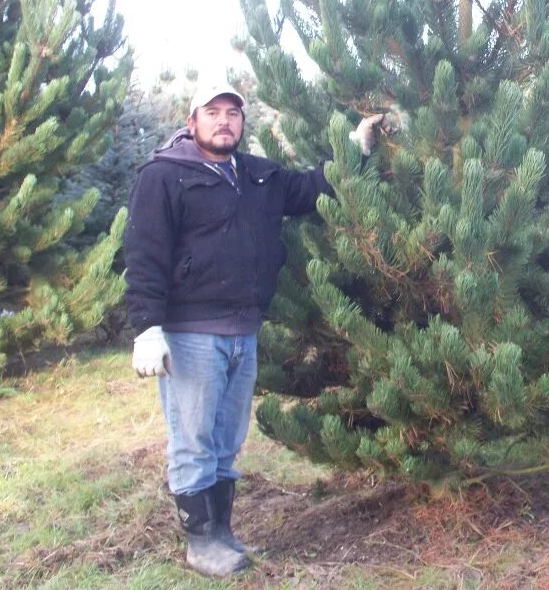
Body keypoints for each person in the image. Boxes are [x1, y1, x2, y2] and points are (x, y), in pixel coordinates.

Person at [124, 82, 384, 577]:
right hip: (190, 332)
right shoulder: (164, 177)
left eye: (232, 113)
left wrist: (353, 146)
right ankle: (201, 543)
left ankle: (221, 532)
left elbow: (311, 190)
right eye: (213, 112)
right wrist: (147, 328)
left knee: (225, 439)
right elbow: (144, 256)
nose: (224, 121)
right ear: (192, 119)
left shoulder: (258, 177)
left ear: (242, 122)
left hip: (243, 330)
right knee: (193, 438)